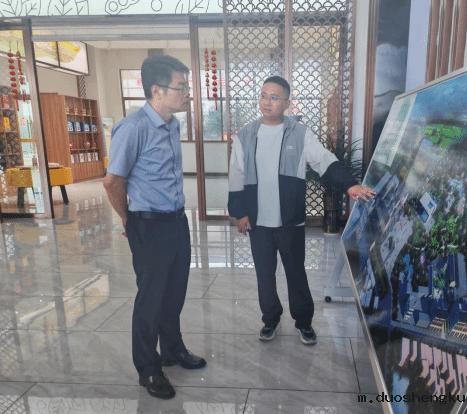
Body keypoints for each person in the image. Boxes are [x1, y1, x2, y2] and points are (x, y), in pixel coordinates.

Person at [228, 76, 376, 345]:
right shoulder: (244, 136)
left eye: (274, 98)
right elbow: (236, 175)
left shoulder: (300, 133)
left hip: (290, 221)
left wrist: (350, 185)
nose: (267, 102)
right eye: (263, 96)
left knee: (296, 273)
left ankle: (304, 322)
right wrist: (240, 213)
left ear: (286, 103)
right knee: (264, 274)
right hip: (258, 221)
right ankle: (270, 319)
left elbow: (324, 160)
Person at [104, 55, 205, 400]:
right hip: (148, 225)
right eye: (182, 86)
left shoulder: (172, 124)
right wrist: (128, 219)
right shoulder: (133, 127)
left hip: (176, 221)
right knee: (151, 299)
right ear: (157, 90)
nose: (187, 93)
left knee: (174, 293)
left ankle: (173, 350)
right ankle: (148, 368)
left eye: (187, 86)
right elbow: (112, 182)